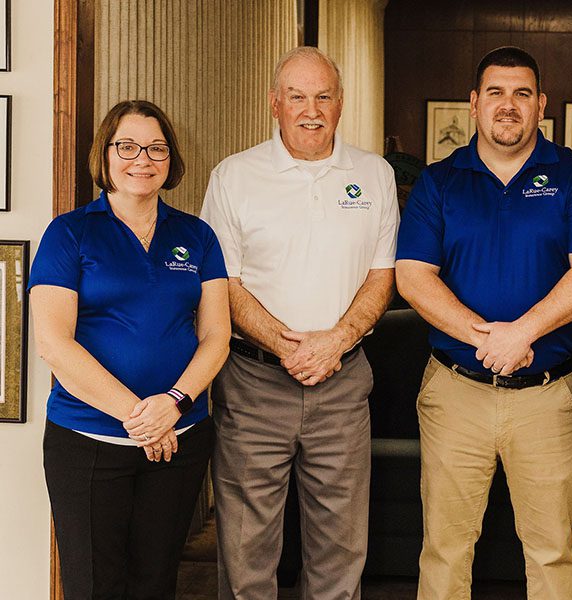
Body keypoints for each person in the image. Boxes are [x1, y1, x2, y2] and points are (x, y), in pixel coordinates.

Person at [396, 46, 572, 599]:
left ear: (541, 104)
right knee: (444, 550)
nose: (508, 105)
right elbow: (412, 277)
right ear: (473, 103)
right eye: (495, 92)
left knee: (551, 552)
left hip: (548, 397)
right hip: (455, 394)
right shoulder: (439, 182)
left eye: (522, 93)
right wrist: (489, 338)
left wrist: (524, 333)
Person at [200, 46, 399, 600]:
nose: (310, 110)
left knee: (340, 548)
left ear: (340, 103)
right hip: (254, 384)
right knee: (246, 549)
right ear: (274, 104)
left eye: (323, 96)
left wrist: (335, 341)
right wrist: (289, 347)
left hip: (342, 382)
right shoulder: (234, 177)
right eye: (296, 97)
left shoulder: (375, 174)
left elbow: (382, 276)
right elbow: (224, 285)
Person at [30, 99, 231, 599]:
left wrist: (175, 404)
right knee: (94, 586)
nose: (143, 159)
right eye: (128, 146)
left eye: (157, 148)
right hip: (89, 442)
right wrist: (140, 417)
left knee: (157, 582)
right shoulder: (69, 233)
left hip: (179, 441)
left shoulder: (197, 236)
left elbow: (216, 336)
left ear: (171, 160)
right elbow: (54, 343)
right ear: (106, 154)